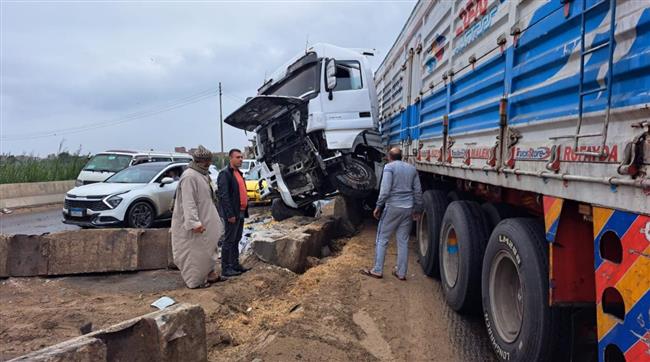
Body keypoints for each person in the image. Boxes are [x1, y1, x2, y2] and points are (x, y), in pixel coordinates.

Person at [361, 147, 423, 281]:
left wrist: (378, 206)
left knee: (382, 238)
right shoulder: (412, 169)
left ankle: (377, 270)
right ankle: (401, 273)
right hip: (408, 208)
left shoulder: (389, 167)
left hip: (393, 207)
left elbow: (385, 190)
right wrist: (417, 209)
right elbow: (418, 191)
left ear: (389, 156)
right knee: (403, 241)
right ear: (401, 156)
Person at [171, 145, 225, 288]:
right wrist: (194, 223)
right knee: (195, 254)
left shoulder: (202, 174)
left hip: (207, 218)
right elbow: (188, 203)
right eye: (207, 161)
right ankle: (195, 282)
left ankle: (210, 275)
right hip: (196, 224)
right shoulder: (190, 176)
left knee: (208, 251)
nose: (209, 163)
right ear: (201, 161)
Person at [217, 148, 251, 277]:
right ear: (230, 158)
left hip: (240, 212)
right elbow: (224, 196)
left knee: (236, 239)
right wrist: (229, 214)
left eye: (241, 157)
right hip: (232, 214)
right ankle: (226, 268)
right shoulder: (225, 174)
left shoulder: (239, 173)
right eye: (238, 157)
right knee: (229, 240)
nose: (241, 159)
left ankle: (235, 265)